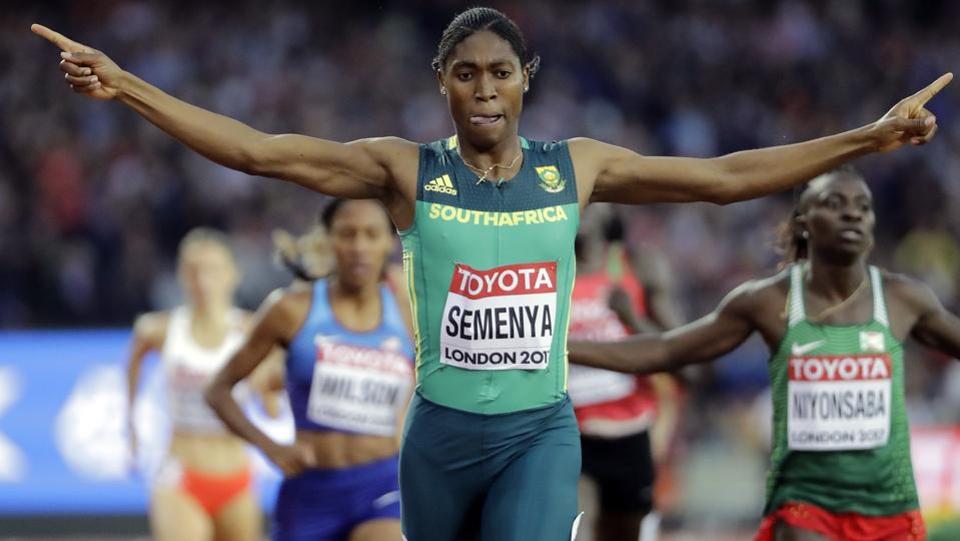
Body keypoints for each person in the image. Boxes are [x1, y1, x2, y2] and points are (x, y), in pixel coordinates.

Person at [33, 6, 950, 538]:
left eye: (499, 72)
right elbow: (260, 153)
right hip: (437, 435)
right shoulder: (405, 171)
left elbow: (721, 180)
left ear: (524, 82)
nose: (482, 87)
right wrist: (128, 87)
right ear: (443, 83)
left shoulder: (574, 166)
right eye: (464, 72)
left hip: (536, 430)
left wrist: (870, 135)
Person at [568, 167, 960, 540]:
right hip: (806, 506)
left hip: (890, 508)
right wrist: (562, 348)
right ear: (804, 219)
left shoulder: (903, 299)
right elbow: (669, 349)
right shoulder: (768, 301)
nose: (852, 215)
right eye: (835, 203)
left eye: (863, 206)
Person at [205, 199, 414, 541]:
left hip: (384, 484)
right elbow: (217, 390)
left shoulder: (410, 307)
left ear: (389, 243)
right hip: (310, 492)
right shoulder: (290, 310)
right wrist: (270, 447)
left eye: (371, 235)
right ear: (328, 241)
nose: (359, 246)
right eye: (348, 234)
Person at [126, 228, 274, 541]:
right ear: (181, 276)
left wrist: (271, 391)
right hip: (182, 475)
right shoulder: (159, 329)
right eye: (193, 271)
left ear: (233, 274)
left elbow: (271, 402)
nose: (203, 281)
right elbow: (133, 364)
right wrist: (131, 430)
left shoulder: (253, 332)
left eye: (213, 270)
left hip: (237, 476)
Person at [566, 204, 681, 541]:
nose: (583, 206)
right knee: (576, 527)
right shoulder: (548, 270)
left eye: (595, 198)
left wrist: (631, 318)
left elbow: (677, 358)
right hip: (568, 431)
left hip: (629, 431)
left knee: (624, 532)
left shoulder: (634, 267)